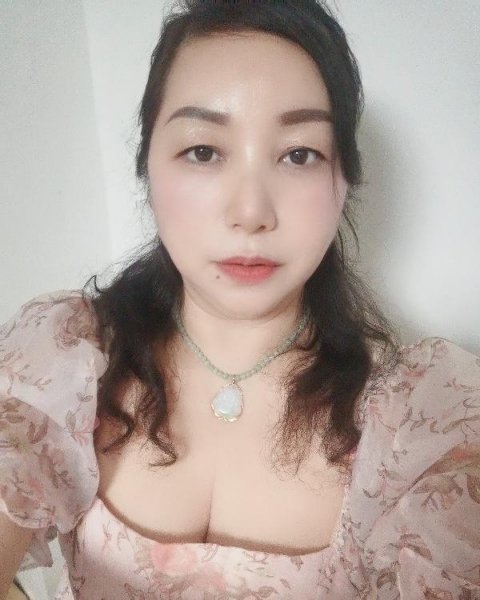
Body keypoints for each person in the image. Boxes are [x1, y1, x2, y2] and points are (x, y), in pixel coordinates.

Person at [1, 1, 479, 598]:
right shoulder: (65, 361)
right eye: (203, 151)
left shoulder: (423, 423)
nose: (251, 212)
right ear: (147, 168)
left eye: (299, 154)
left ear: (344, 180)